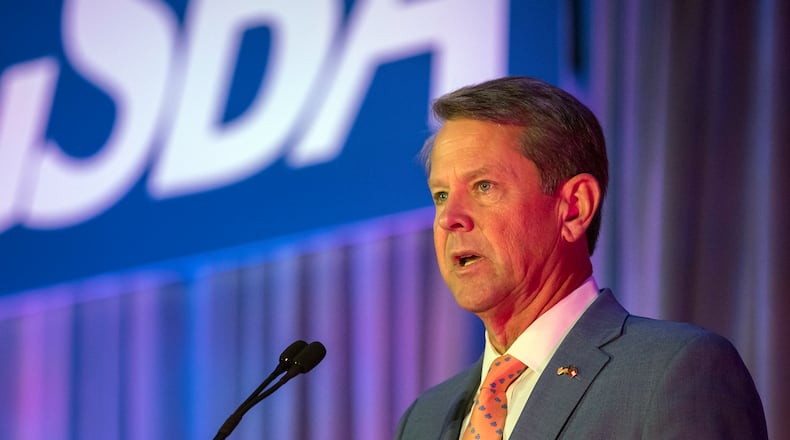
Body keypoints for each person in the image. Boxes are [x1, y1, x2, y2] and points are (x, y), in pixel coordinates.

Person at [394, 76, 767, 439]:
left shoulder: (674, 372)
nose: (449, 218)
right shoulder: (424, 419)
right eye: (441, 195)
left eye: (483, 187)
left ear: (574, 208)